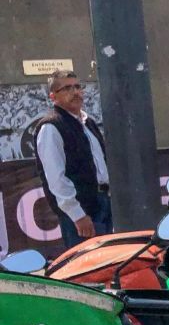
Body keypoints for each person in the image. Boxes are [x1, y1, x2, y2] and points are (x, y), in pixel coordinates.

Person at [34, 70, 111, 249]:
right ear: (53, 96)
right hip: (81, 212)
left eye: (77, 86)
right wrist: (77, 215)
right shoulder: (51, 127)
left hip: (103, 204)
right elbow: (56, 178)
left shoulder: (88, 123)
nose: (75, 92)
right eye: (67, 88)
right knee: (87, 270)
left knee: (107, 267)